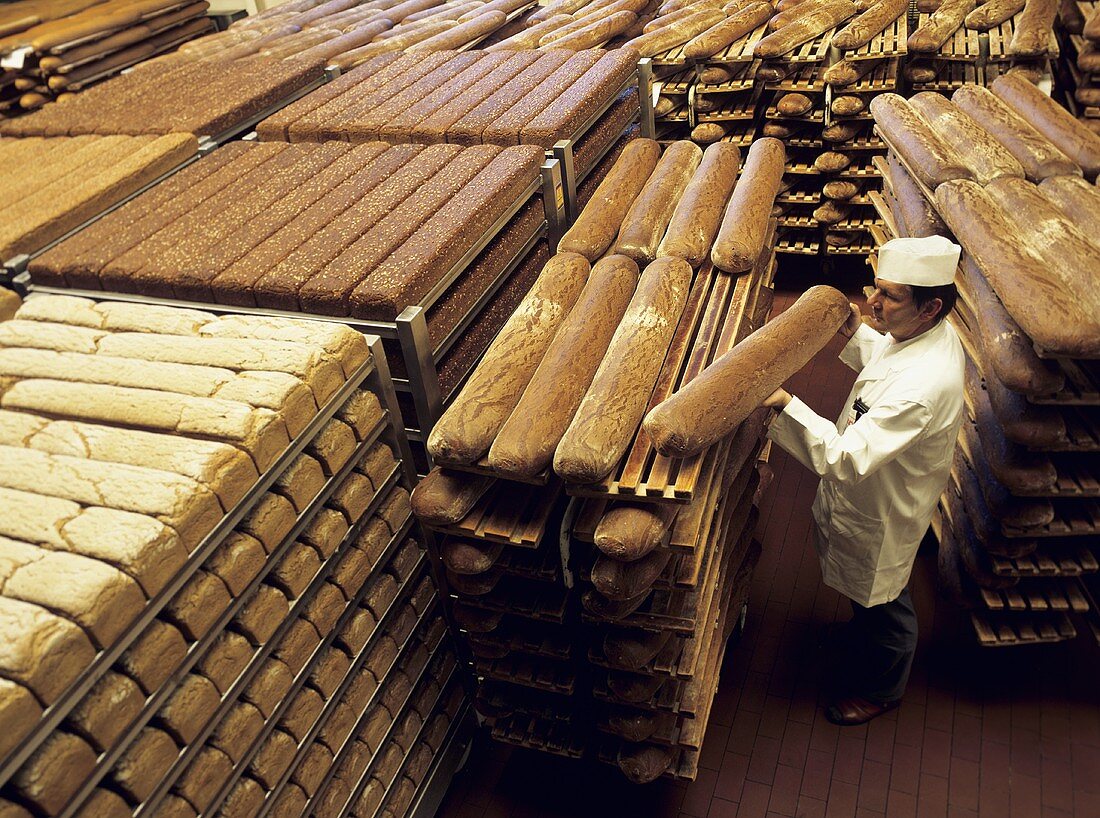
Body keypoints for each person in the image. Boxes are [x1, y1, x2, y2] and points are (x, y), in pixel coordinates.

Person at [762, 235, 966, 726]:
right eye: (875, 289)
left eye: (889, 296)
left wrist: (784, 404)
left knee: (887, 605)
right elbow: (890, 361)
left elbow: (845, 458)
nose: (871, 303)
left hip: (885, 506)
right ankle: (867, 635)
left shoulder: (924, 385)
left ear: (930, 305)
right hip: (879, 488)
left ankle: (883, 689)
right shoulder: (923, 334)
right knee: (869, 597)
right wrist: (857, 330)